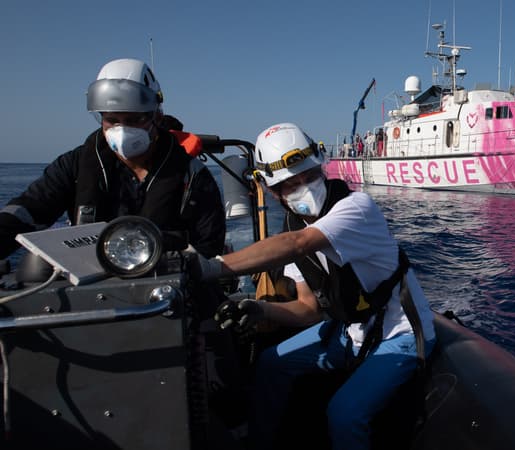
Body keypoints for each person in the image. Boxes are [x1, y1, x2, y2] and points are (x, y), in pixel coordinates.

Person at [189, 123, 436, 450]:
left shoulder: (356, 208)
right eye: (291, 185)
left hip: (399, 335)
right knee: (271, 364)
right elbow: (309, 309)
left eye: (310, 177)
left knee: (345, 414)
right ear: (274, 193)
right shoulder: (296, 227)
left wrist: (210, 267)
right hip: (350, 332)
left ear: (322, 170)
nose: (304, 188)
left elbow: (298, 243)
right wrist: (259, 307)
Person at [0, 58, 226, 260]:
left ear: (156, 116)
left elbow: (209, 245)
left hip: (166, 280)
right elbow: (29, 209)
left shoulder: (192, 175)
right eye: (112, 120)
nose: (122, 129)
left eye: (133, 119)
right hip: (90, 284)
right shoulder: (74, 166)